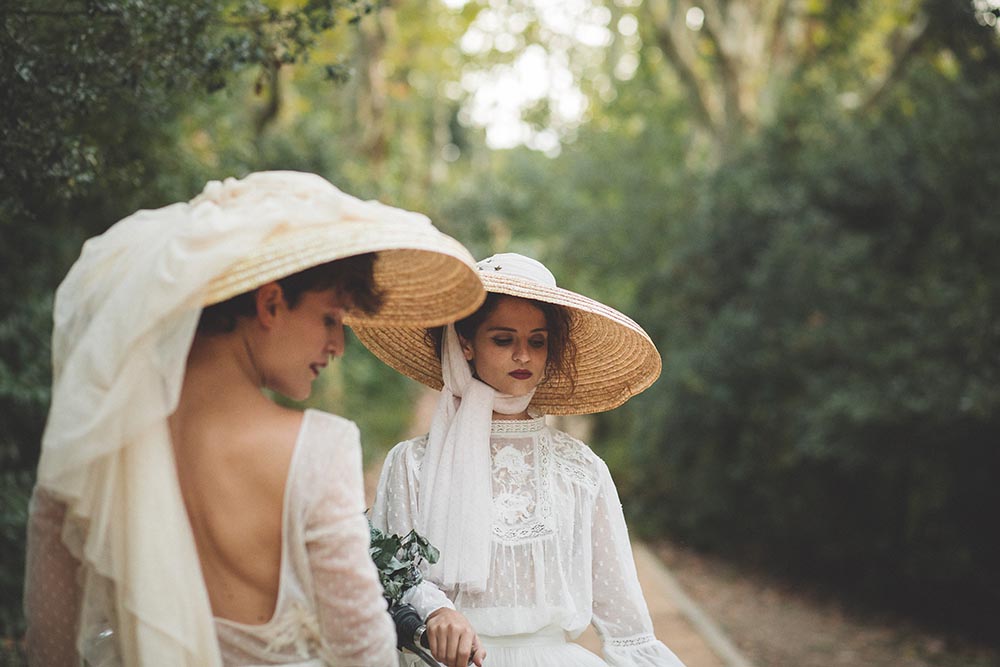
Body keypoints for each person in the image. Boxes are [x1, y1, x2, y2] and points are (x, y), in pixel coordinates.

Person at [22, 171, 486, 666]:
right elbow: (364, 652)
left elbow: (49, 645)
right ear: (270, 303)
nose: (337, 345)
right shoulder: (316, 451)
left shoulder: (92, 449)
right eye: (331, 317)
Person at [360, 253, 687, 667]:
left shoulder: (581, 470)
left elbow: (623, 616)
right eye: (503, 339)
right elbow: (391, 581)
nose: (523, 356)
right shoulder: (411, 464)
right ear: (466, 343)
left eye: (537, 341)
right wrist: (437, 610)